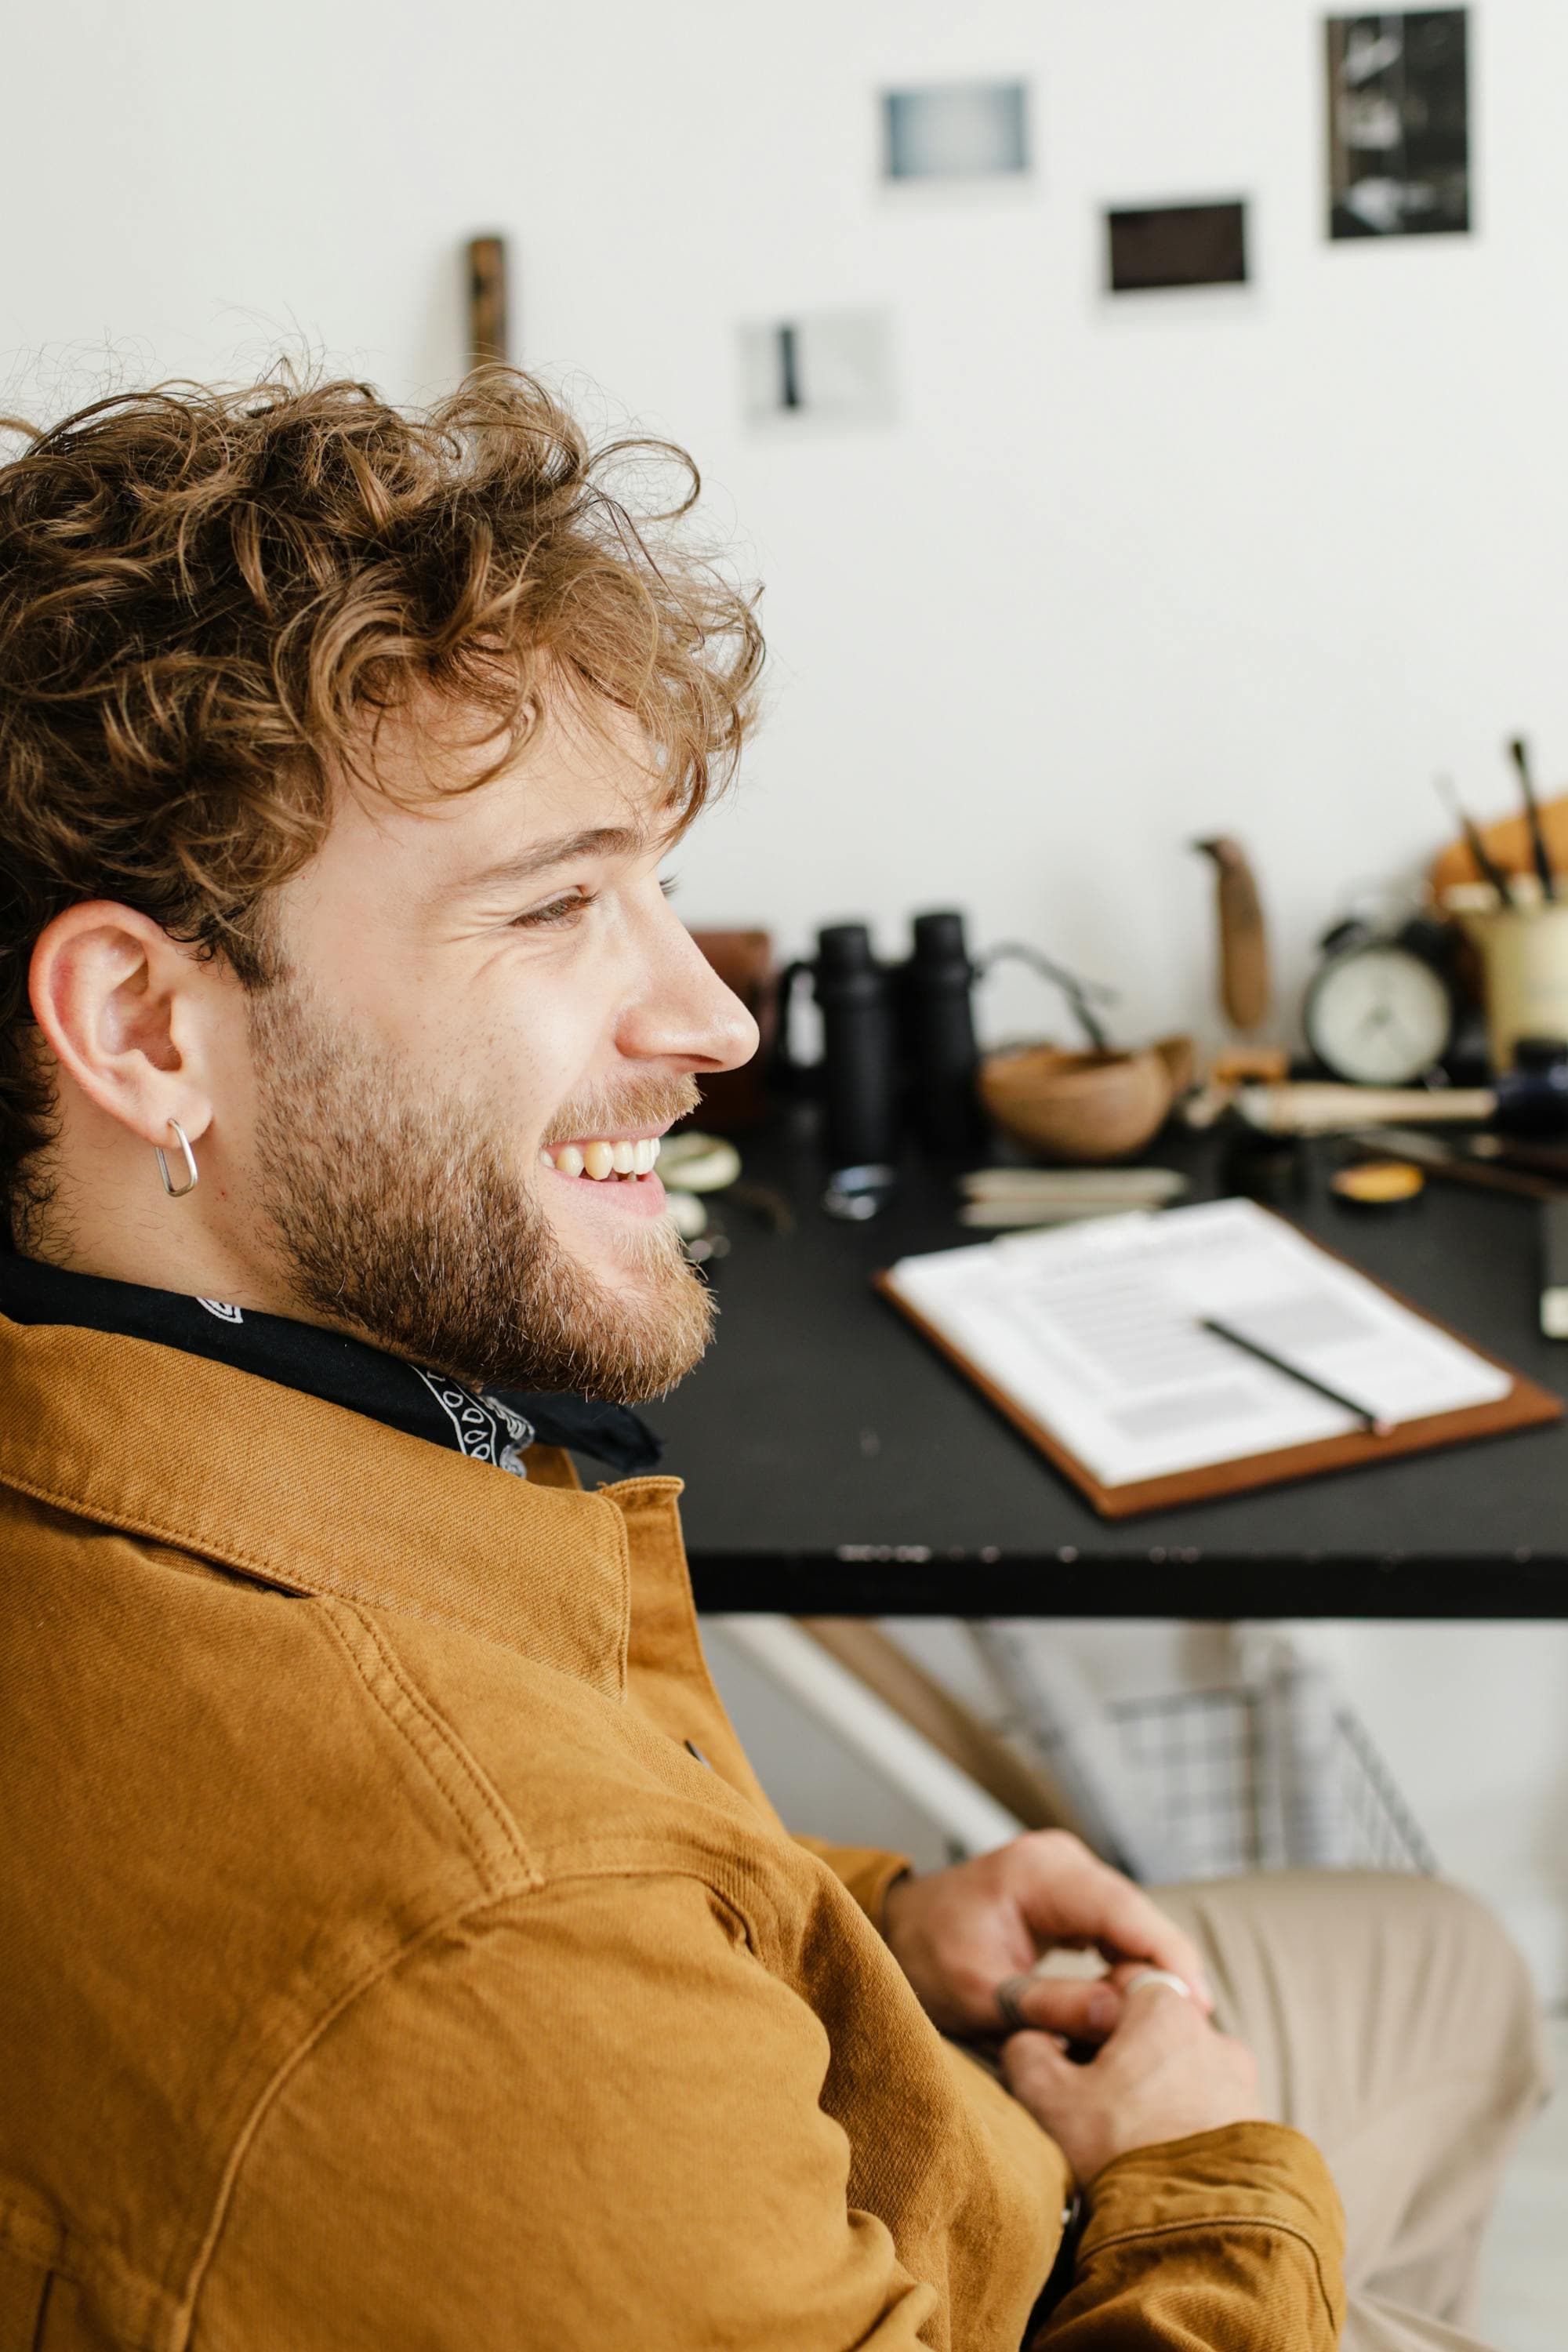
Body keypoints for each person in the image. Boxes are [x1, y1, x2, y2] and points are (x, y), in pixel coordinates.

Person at [0, 370, 1546, 2352]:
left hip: (819, 2117)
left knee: (1439, 1969)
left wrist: (869, 1914)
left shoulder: (213, 1404)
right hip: (1038, 2264)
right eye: (556, 905)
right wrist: (1200, 2178)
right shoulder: (482, 1935)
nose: (709, 1021)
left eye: (655, 881)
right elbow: (505, 1919)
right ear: (140, 1026)